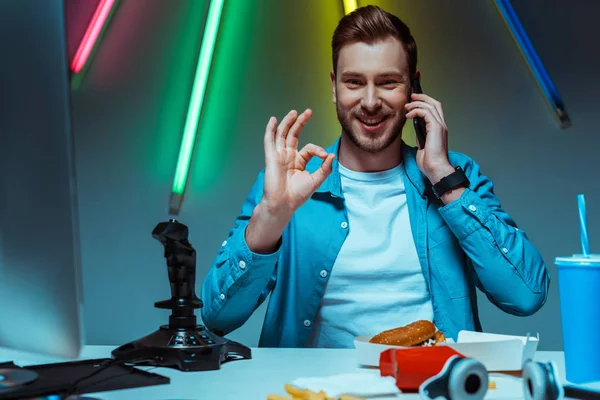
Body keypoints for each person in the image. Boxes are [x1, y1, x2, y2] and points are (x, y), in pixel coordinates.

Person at [200, 5, 550, 348]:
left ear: (413, 89)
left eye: (387, 82)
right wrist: (272, 217)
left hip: (430, 386)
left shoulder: (456, 177)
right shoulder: (287, 187)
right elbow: (217, 317)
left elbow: (526, 295)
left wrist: (444, 179)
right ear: (334, 87)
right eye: (354, 82)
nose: (369, 101)